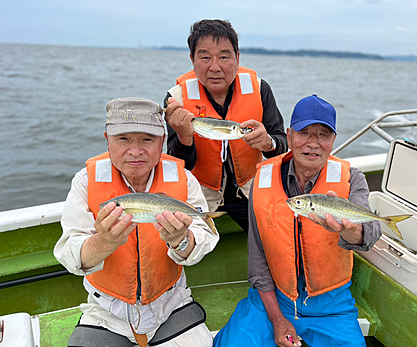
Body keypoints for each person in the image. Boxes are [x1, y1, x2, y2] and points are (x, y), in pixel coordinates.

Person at [213, 94, 382, 347]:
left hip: (331, 304)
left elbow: (370, 231)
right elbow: (258, 261)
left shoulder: (351, 178)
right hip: (274, 296)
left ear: (333, 141)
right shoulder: (261, 180)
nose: (313, 143)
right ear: (289, 136)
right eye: (305, 133)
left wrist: (350, 231)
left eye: (323, 135)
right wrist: (277, 319)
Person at [54, 97, 219, 347]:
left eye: (147, 140)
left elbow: (202, 243)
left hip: (171, 303)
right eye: (123, 139)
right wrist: (103, 242)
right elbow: (70, 256)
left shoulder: (184, 180)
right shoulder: (85, 181)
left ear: (162, 141)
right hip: (106, 311)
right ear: (107, 139)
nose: (135, 151)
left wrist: (180, 240)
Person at [163, 19, 287, 233]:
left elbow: (282, 145)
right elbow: (177, 165)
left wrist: (268, 142)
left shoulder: (259, 89)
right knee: (174, 238)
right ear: (192, 60)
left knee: (278, 233)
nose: (215, 67)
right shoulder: (177, 99)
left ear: (237, 58)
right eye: (205, 57)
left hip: (248, 189)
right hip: (199, 191)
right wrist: (184, 138)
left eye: (223, 57)